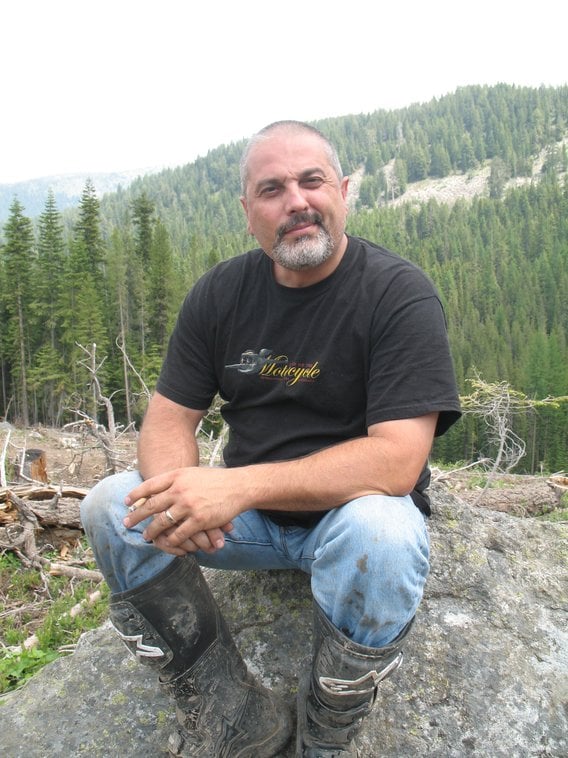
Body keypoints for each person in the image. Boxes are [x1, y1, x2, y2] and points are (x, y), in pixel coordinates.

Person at [81, 120, 461, 758]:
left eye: (312, 181)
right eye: (272, 189)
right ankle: (229, 709)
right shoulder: (221, 293)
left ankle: (327, 730)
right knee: (110, 506)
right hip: (243, 528)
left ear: (343, 191)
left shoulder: (397, 294)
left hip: (346, 522)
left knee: (384, 534)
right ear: (247, 211)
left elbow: (397, 460)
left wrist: (237, 487)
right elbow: (170, 418)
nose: (297, 202)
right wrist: (178, 498)